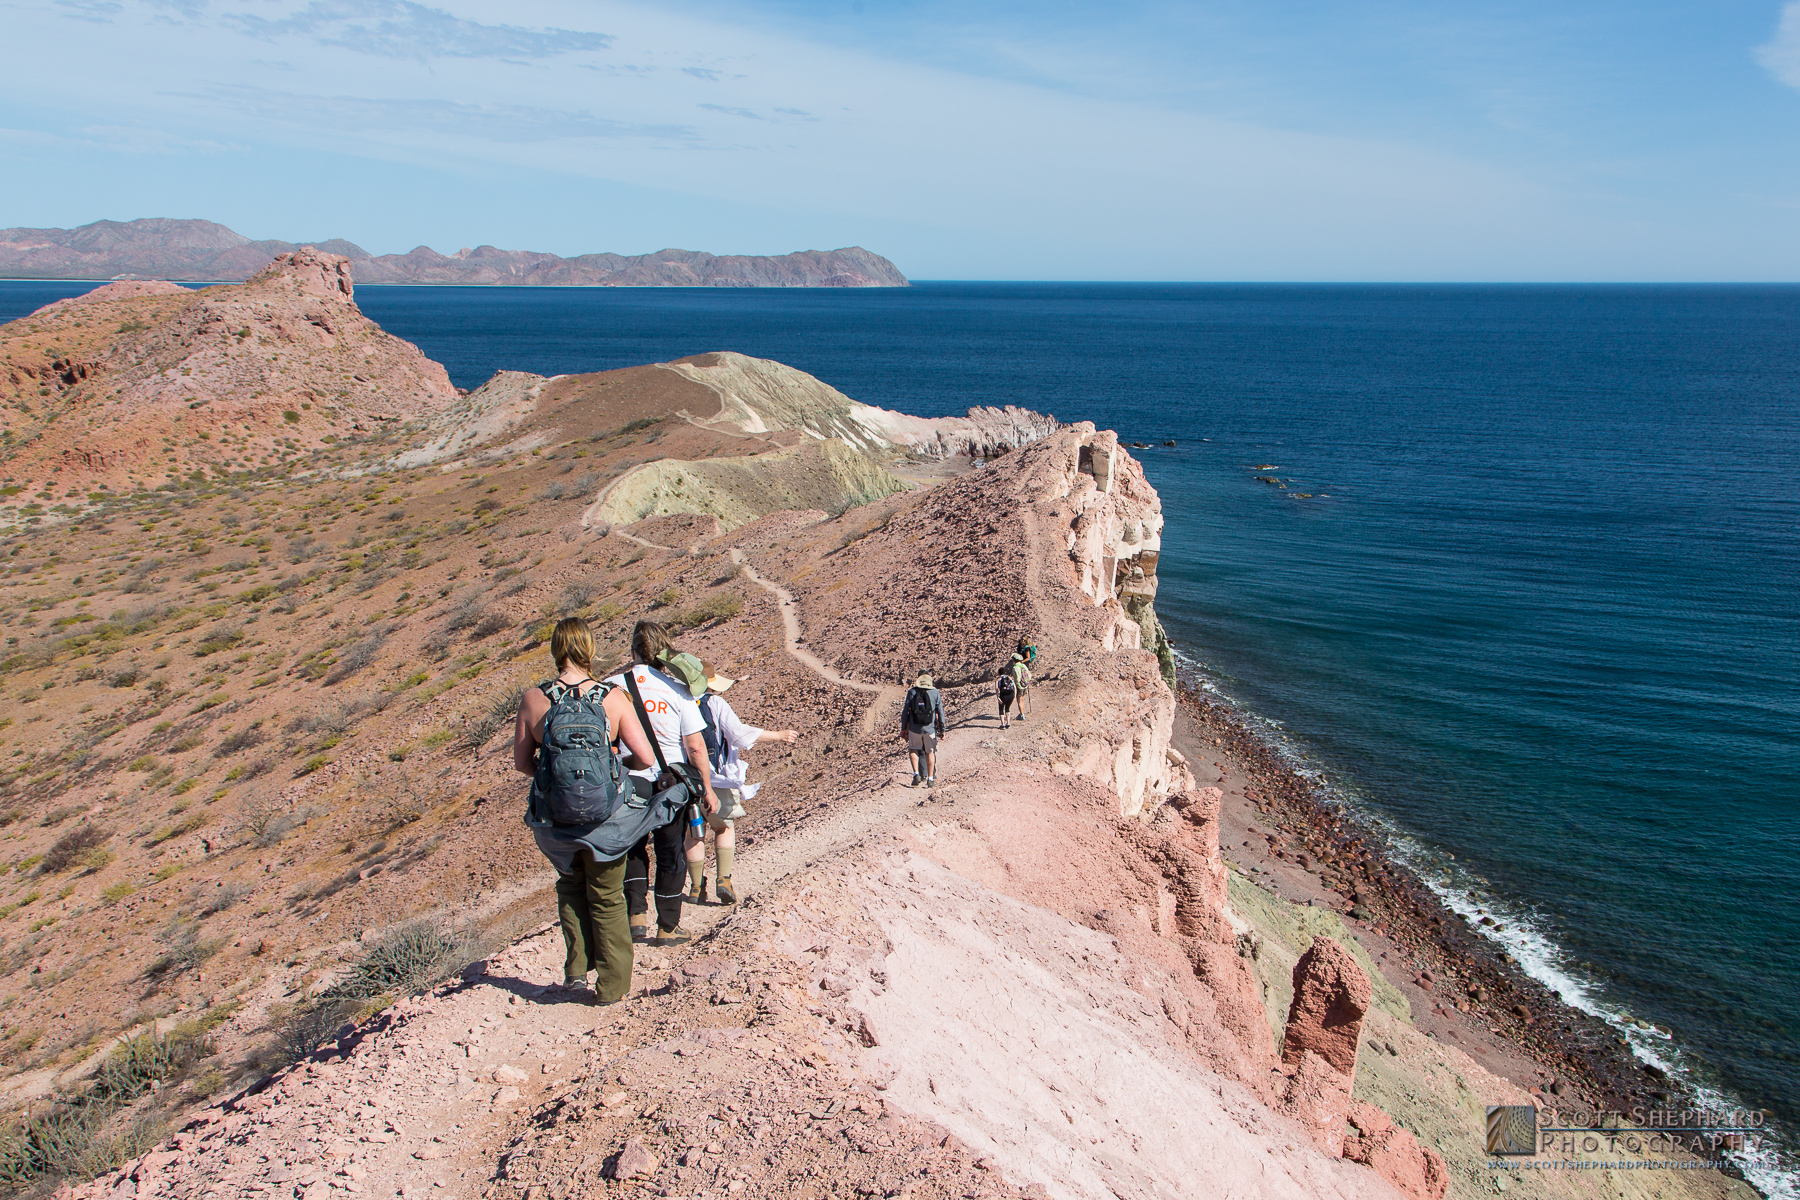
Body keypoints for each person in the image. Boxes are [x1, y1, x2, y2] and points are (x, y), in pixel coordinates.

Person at [513, 618, 657, 1003]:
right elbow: (644, 758)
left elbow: (522, 763)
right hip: (605, 819)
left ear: (556, 649)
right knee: (608, 896)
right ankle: (611, 987)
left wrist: (555, 779)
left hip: (556, 819)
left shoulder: (534, 699)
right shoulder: (612, 698)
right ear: (590, 649)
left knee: (571, 886)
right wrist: (609, 771)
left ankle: (576, 970)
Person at [607, 620, 720, 947]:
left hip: (628, 783)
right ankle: (668, 926)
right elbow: (696, 746)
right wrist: (708, 789)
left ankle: (636, 916)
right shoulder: (677, 689)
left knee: (633, 848)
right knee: (671, 851)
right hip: (670, 784)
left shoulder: (611, 687)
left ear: (632, 652)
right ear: (665, 653)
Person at [680, 660, 798, 906]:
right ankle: (723, 880)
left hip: (684, 780)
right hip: (716, 780)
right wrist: (778, 735)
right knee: (724, 827)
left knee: (693, 834)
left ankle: (695, 887)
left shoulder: (676, 702)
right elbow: (737, 733)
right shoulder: (714, 703)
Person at [899, 672, 946, 788]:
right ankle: (930, 779)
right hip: (930, 729)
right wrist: (942, 729)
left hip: (914, 728)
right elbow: (940, 712)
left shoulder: (912, 692)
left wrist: (904, 728)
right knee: (930, 752)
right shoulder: (935, 692)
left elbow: (905, 712)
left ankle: (916, 774)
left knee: (913, 749)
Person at [1005, 650, 1033, 723]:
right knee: (1022, 699)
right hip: (1025, 684)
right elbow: (1029, 674)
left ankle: (1022, 715)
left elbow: (1017, 679)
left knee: (1019, 700)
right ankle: (1022, 713)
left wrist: (1017, 686)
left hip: (1020, 686)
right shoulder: (1023, 665)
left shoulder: (1015, 668)